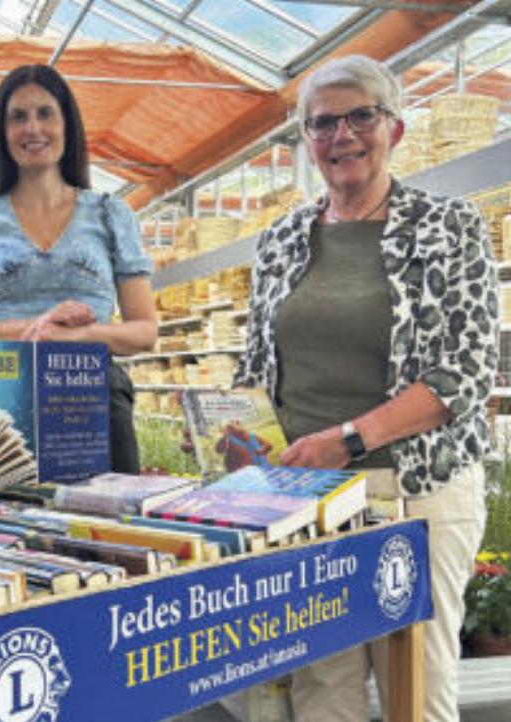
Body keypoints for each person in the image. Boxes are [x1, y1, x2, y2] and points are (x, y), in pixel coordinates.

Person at [232, 55, 499, 722]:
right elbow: (255, 362)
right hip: (305, 496)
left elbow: (465, 371)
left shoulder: (450, 227)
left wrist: (349, 439)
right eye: (322, 123)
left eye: (360, 116)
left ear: (395, 129)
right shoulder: (282, 240)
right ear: (306, 142)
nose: (341, 135)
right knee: (323, 687)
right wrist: (237, 432)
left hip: (414, 492)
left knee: (416, 684)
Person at [0, 64, 157, 474]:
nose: (32, 128)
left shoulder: (110, 214)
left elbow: (145, 330)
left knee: (108, 527)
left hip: (96, 398)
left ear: (67, 124)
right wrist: (37, 326)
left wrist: (81, 335)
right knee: (10, 527)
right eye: (17, 117)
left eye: (45, 113)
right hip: (6, 396)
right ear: (1, 132)